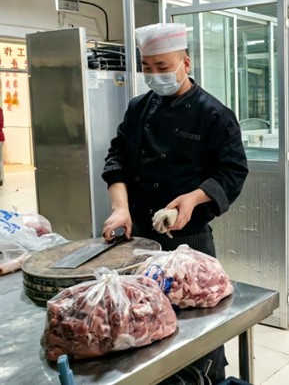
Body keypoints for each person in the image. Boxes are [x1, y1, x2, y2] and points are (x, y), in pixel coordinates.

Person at [101, 22, 249, 384]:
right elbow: (117, 158)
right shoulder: (138, 108)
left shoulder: (213, 114)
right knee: (140, 324)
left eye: (163, 67)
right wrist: (120, 207)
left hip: (189, 243)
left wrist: (194, 198)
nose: (155, 75)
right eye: (147, 68)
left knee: (198, 331)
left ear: (186, 63)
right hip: (137, 238)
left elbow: (233, 171)